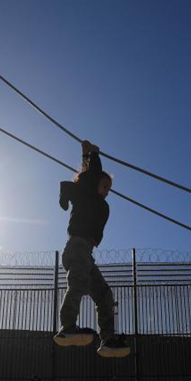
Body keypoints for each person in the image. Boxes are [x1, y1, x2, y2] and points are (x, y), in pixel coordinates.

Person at [55, 139, 130, 358]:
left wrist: (87, 155)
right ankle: (67, 326)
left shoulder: (95, 199)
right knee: (77, 283)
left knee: (105, 295)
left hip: (85, 252)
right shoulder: (87, 193)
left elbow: (91, 176)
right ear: (95, 182)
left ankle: (107, 339)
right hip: (77, 246)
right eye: (105, 186)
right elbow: (91, 175)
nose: (107, 192)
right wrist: (92, 155)